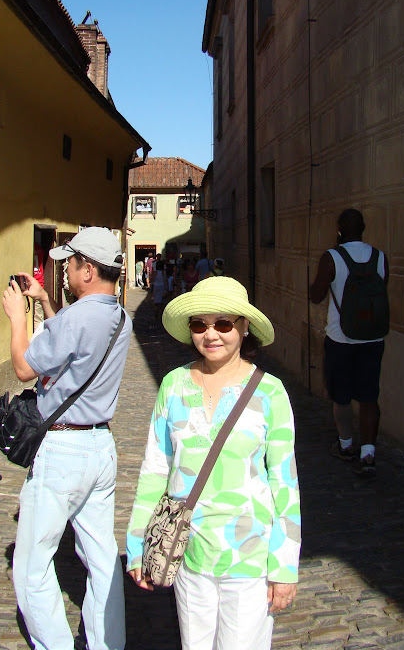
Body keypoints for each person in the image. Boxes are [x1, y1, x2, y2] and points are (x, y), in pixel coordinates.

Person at [126, 276, 301, 650]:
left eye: (223, 324)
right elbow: (155, 468)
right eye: (199, 325)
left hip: (250, 557)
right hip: (187, 553)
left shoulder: (270, 392)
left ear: (244, 327)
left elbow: (284, 482)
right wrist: (138, 541)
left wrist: (284, 565)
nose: (210, 335)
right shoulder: (173, 385)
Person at [2, 227, 132, 650]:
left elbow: (24, 368)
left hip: (63, 451)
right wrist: (44, 299)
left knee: (32, 566)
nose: (66, 272)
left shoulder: (77, 318)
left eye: (70, 264)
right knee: (101, 558)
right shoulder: (120, 317)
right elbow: (75, 343)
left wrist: (17, 318)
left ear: (88, 270)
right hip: (100, 447)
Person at [310, 208, 389, 475]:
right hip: (373, 337)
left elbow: (317, 296)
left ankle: (345, 445)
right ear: (363, 228)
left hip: (340, 338)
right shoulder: (380, 257)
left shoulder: (332, 257)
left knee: (341, 396)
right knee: (369, 396)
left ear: (339, 230)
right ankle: (368, 453)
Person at [150, 259, 166, 323]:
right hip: (162, 287)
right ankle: (161, 314)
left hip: (156, 287)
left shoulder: (155, 272)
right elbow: (165, 280)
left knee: (156, 301)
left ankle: (156, 314)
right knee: (161, 301)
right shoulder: (163, 273)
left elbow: (152, 280)